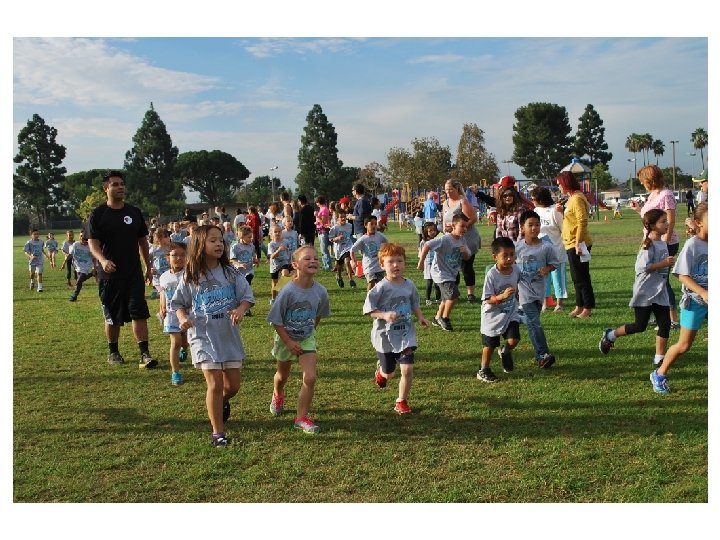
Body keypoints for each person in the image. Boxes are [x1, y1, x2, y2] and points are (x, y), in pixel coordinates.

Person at [171, 225, 254, 446]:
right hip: (203, 337)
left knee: (232, 387)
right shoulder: (190, 275)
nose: (219, 244)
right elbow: (178, 304)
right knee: (215, 385)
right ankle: (218, 433)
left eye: (220, 240)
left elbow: (247, 296)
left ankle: (220, 402)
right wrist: (182, 318)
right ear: (200, 245)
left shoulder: (231, 272)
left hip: (228, 336)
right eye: (212, 240)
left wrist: (241, 309)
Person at [87, 171, 157, 367]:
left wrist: (148, 267)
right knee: (113, 315)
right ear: (106, 188)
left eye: (122, 184)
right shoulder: (98, 214)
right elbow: (93, 243)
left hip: (133, 273)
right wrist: (103, 260)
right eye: (115, 184)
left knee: (138, 311)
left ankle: (145, 354)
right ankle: (114, 352)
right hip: (110, 274)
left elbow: (142, 241)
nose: (120, 187)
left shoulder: (133, 212)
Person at [267, 245, 331, 433]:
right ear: (295, 265)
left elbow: (318, 315)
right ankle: (278, 393)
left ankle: (301, 417)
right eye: (307, 258)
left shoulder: (321, 291)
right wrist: (288, 341)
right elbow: (276, 320)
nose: (313, 261)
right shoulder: (287, 291)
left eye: (316, 258)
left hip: (306, 338)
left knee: (310, 377)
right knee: (282, 376)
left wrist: (309, 332)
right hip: (285, 338)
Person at [599, 209, 674, 365]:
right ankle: (610, 335)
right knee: (640, 326)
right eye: (663, 221)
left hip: (660, 291)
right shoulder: (648, 244)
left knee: (665, 324)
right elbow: (641, 267)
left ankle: (659, 358)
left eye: (666, 220)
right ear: (652, 225)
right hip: (645, 292)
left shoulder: (662, 242)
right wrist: (663, 263)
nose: (667, 223)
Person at [364, 243, 430, 414]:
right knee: (389, 374)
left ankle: (401, 401)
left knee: (407, 369)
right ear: (382, 265)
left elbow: (414, 303)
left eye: (399, 261)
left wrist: (421, 317)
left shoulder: (409, 285)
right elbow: (369, 310)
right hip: (384, 337)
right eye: (390, 262)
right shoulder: (380, 287)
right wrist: (384, 315)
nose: (395, 265)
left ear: (404, 263)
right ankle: (381, 372)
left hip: (405, 334)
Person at [649, 202, 707, 394]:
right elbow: (681, 275)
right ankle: (659, 373)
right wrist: (703, 292)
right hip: (695, 302)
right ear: (699, 222)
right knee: (684, 345)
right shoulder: (692, 245)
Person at [629, 165, 680, 328]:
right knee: (653, 279)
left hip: (665, 243)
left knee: (663, 281)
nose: (642, 183)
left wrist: (664, 242)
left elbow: (670, 221)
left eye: (643, 180)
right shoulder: (652, 195)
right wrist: (639, 210)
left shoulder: (666, 195)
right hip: (651, 241)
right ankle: (660, 316)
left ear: (650, 179)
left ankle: (672, 318)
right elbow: (651, 219)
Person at [516, 210, 560, 368]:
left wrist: (547, 269)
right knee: (535, 322)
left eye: (537, 224)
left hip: (539, 292)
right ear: (522, 227)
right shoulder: (517, 247)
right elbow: (509, 265)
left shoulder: (546, 247)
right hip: (523, 293)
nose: (534, 228)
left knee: (531, 322)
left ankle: (517, 318)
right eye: (530, 225)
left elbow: (555, 263)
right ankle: (542, 355)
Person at [476, 237, 522, 382]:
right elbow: (487, 299)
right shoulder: (492, 275)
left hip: (510, 312)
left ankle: (505, 351)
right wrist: (502, 296)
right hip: (492, 316)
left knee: (514, 339)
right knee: (490, 345)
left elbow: (520, 283)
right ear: (495, 257)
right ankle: (483, 369)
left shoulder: (516, 269)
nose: (509, 259)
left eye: (512, 255)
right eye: (505, 255)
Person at [418, 213, 470, 331]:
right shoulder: (445, 239)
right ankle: (445, 318)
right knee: (454, 295)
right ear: (453, 226)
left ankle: (437, 318)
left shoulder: (463, 240)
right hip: (440, 273)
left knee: (446, 297)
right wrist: (421, 262)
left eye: (466, 227)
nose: (465, 229)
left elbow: (467, 257)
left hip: (452, 273)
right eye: (462, 226)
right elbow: (427, 245)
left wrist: (464, 252)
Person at [556, 170, 595, 319]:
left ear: (566, 183)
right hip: (571, 243)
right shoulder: (572, 198)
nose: (559, 187)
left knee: (582, 277)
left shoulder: (577, 198)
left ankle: (587, 308)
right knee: (576, 277)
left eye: (560, 184)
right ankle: (579, 306)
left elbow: (582, 221)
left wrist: (578, 243)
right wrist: (562, 211)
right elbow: (572, 218)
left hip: (577, 243)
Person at [442, 178, 481, 302]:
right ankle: (455, 294)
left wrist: (461, 228)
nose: (448, 192)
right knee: (452, 266)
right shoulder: (445, 203)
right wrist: (445, 229)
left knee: (466, 267)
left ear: (456, 188)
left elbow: (473, 218)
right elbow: (444, 220)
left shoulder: (462, 201)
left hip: (467, 239)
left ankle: (471, 294)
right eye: (446, 190)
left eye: (450, 189)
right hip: (453, 239)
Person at [531, 186, 568, 312]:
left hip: (556, 250)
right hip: (541, 251)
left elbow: (563, 229)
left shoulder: (554, 210)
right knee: (543, 277)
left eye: (534, 198)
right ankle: (545, 304)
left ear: (541, 199)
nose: (532, 201)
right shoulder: (535, 211)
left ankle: (559, 303)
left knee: (558, 278)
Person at [159, 242, 190, 385]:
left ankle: (185, 349)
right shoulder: (164, 277)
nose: (179, 258)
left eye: (182, 255)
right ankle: (175, 372)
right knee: (176, 342)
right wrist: (162, 307)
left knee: (185, 340)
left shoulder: (190, 274)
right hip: (171, 315)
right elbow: (163, 292)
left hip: (187, 314)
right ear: (168, 258)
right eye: (174, 255)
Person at [351, 216, 389, 292]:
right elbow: (352, 250)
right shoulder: (363, 239)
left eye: (375, 224)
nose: (374, 226)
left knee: (381, 285)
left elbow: (387, 243)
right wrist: (354, 261)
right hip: (369, 266)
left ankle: (379, 297)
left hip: (379, 266)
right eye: (371, 224)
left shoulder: (379, 235)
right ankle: (369, 297)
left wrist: (384, 252)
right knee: (371, 282)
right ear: (365, 225)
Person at [328, 210, 356, 289]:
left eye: (344, 217)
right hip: (339, 248)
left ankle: (351, 280)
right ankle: (339, 277)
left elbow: (351, 235)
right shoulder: (335, 228)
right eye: (341, 217)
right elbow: (331, 239)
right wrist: (337, 238)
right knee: (340, 266)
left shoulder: (350, 225)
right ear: (337, 218)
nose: (343, 218)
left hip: (348, 246)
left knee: (347, 262)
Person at [267, 224, 292, 303]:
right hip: (274, 265)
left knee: (285, 273)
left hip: (284, 262)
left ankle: (281, 290)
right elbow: (272, 256)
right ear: (271, 233)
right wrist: (278, 250)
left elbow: (290, 252)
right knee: (274, 284)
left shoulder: (286, 242)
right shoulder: (271, 244)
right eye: (275, 232)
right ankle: (273, 299)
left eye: (279, 231)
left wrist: (290, 259)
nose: (277, 233)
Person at [68, 231, 96, 302]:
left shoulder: (90, 246)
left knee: (79, 280)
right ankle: (75, 296)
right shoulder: (76, 244)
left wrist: (94, 268)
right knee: (80, 281)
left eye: (84, 236)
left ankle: (74, 296)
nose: (82, 238)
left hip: (87, 266)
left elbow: (94, 258)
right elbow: (70, 254)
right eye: (81, 236)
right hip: (77, 266)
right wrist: (65, 262)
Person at [419, 221, 441, 306]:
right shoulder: (423, 242)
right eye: (430, 230)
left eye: (434, 230)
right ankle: (428, 299)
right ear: (426, 231)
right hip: (428, 265)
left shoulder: (438, 240)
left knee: (437, 283)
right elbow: (421, 253)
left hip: (437, 265)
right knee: (429, 282)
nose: (433, 232)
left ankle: (438, 299)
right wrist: (421, 263)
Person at [149, 228, 171, 300]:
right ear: (159, 239)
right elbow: (147, 259)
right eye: (165, 236)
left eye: (168, 236)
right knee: (163, 294)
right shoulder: (154, 250)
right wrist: (149, 269)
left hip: (169, 276)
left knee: (168, 295)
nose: (168, 238)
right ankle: (155, 290)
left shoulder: (171, 249)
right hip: (157, 278)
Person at [314, 195, 332, 271]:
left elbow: (323, 222)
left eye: (316, 202)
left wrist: (317, 216)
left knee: (324, 250)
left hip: (323, 231)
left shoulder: (324, 209)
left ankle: (328, 266)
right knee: (323, 250)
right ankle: (325, 265)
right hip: (320, 231)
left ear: (318, 202)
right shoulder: (322, 209)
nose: (316, 204)